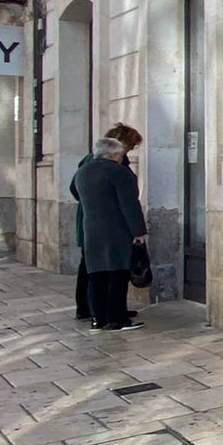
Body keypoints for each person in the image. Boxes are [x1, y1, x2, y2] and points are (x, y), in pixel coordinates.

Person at [71, 137, 148, 331]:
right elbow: (130, 204)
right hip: (116, 229)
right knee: (118, 273)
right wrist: (138, 231)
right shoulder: (118, 172)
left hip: (90, 228)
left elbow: (75, 192)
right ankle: (117, 319)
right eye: (121, 154)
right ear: (114, 154)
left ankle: (98, 319)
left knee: (97, 274)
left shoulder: (82, 172)